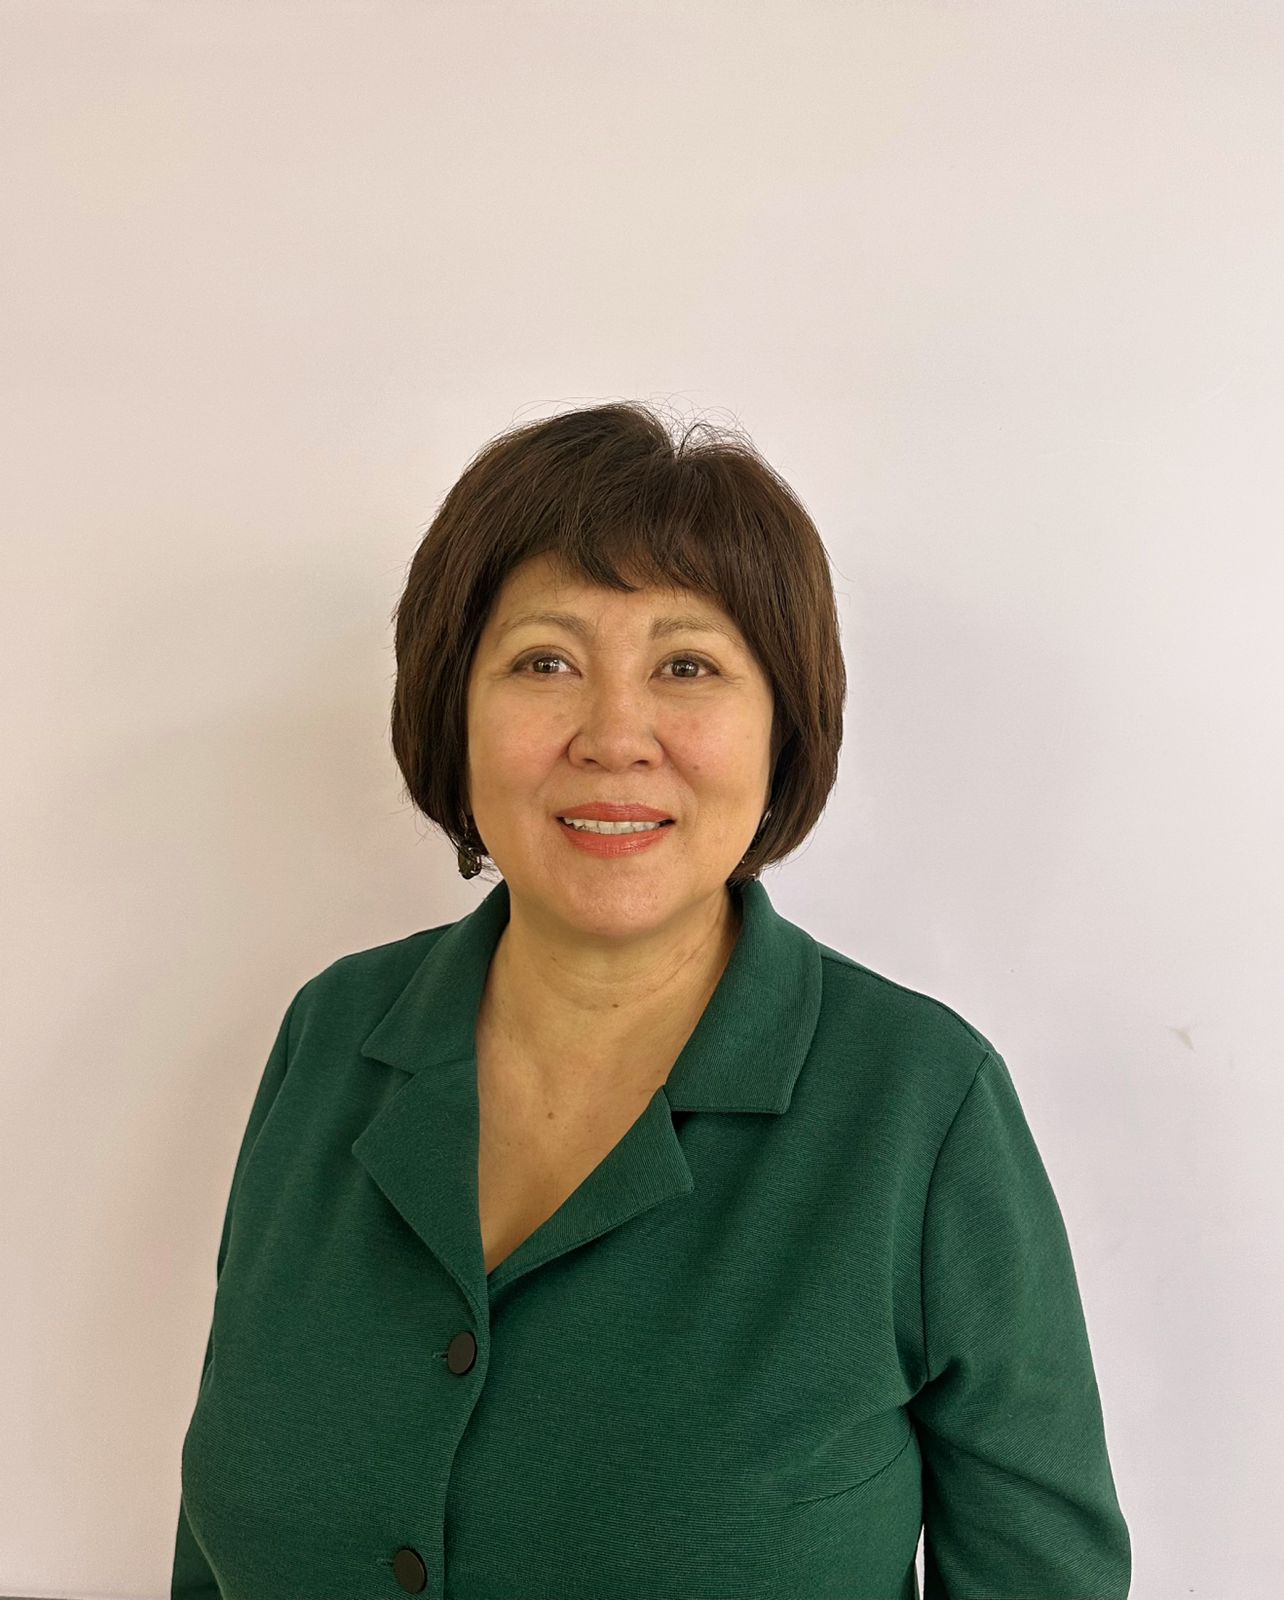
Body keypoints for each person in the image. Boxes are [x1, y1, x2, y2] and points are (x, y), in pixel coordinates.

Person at [172, 401, 1131, 1599]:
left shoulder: (919, 1107)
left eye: (687, 665)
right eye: (545, 662)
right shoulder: (330, 1037)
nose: (615, 735)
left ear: (783, 726)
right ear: (451, 709)